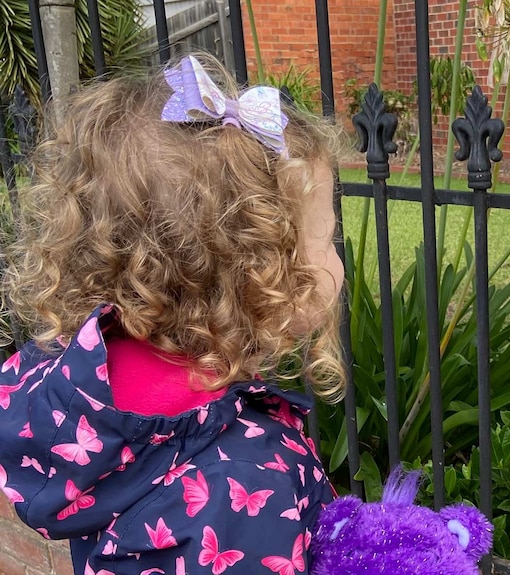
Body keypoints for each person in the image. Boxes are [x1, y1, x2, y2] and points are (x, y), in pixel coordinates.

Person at [0, 53, 345, 575]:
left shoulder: (85, 398)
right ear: (260, 273)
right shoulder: (244, 482)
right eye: (328, 238)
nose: (338, 261)